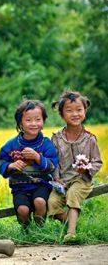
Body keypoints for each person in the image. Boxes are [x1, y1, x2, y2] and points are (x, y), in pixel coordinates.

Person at [48, 91, 102, 241]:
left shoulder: (89, 139)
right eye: (69, 110)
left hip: (82, 180)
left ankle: (71, 233)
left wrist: (87, 169)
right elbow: (54, 160)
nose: (75, 114)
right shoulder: (56, 137)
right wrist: (56, 176)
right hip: (62, 181)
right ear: (61, 114)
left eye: (79, 110)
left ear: (85, 111)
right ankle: (74, 223)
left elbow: (97, 161)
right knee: (52, 203)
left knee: (73, 194)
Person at [0, 100, 58, 227]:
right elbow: (0, 162)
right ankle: (27, 231)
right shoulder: (12, 144)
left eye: (38, 119)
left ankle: (40, 229)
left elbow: (52, 166)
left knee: (40, 202)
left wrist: (38, 157)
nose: (34, 123)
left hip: (42, 185)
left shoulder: (46, 144)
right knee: (22, 210)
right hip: (20, 188)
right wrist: (10, 166)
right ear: (20, 123)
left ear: (43, 121)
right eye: (28, 120)